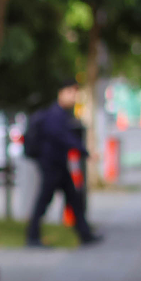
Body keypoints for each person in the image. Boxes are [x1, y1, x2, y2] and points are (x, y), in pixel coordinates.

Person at [25, 79, 102, 247]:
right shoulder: (55, 115)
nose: (74, 97)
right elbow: (64, 138)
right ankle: (32, 236)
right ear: (62, 93)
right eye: (71, 92)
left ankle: (85, 234)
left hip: (59, 165)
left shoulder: (63, 114)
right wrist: (86, 152)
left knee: (74, 199)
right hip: (51, 165)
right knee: (44, 201)